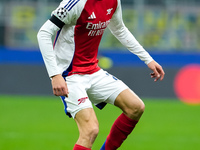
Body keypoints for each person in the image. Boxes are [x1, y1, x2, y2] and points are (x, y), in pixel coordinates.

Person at [37, 0, 165, 149]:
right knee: (90, 130)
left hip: (93, 71)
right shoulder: (74, 3)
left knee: (135, 107)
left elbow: (120, 29)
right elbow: (44, 33)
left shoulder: (114, 1)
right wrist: (55, 75)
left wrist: (148, 59)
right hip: (69, 75)